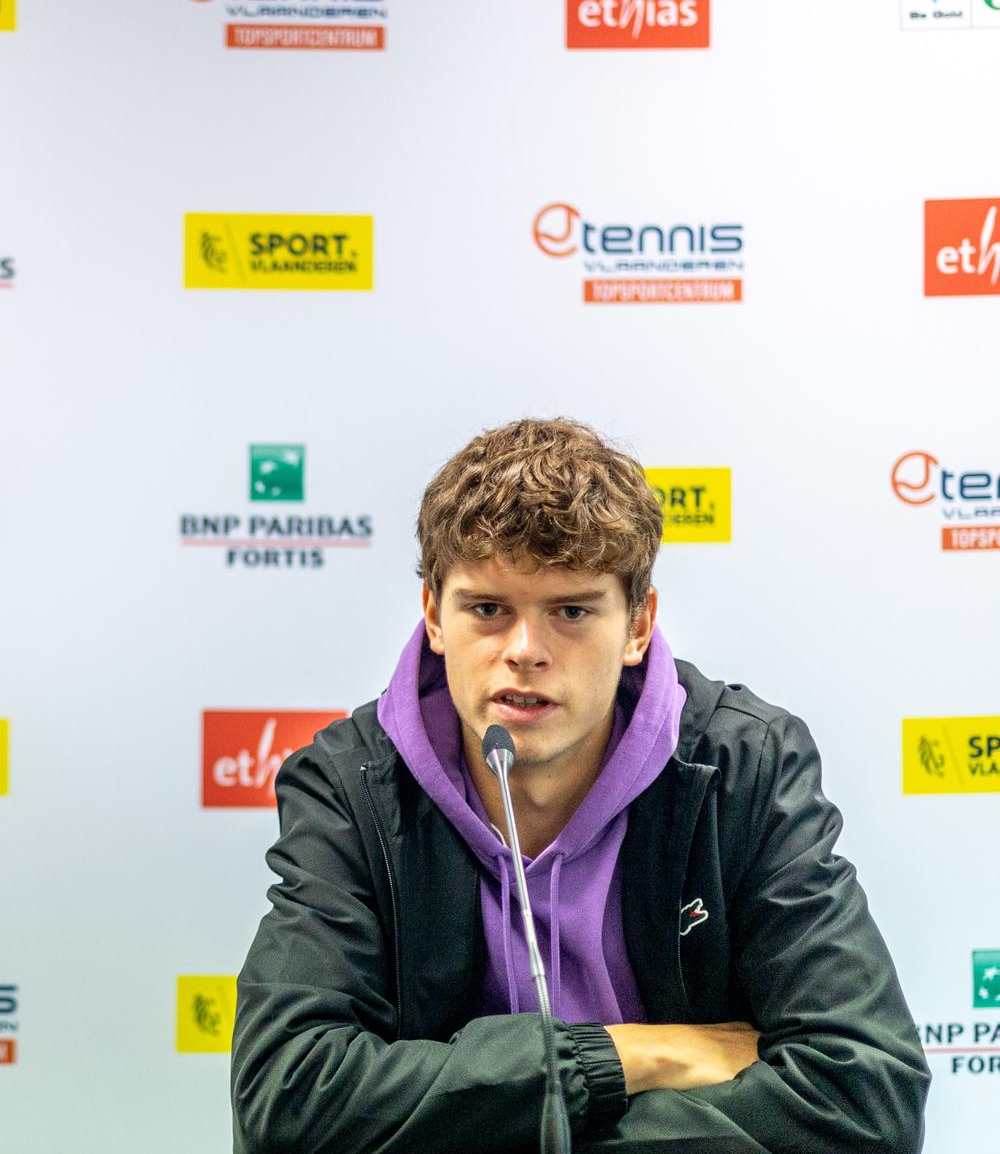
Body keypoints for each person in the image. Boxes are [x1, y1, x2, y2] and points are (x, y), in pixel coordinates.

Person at [231, 418, 927, 1153]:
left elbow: (868, 1101)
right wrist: (625, 1057)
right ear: (434, 615)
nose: (525, 651)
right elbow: (285, 1101)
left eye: (570, 611)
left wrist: (488, 1123)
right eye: (488, 609)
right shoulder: (353, 786)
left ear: (638, 626)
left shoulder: (744, 768)